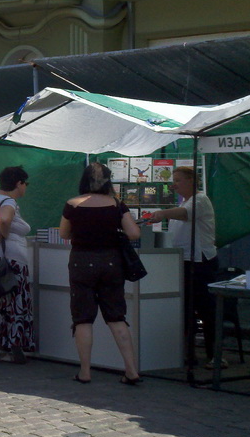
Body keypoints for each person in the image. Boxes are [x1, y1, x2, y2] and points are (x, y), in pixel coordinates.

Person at [59, 162, 142, 385]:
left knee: (83, 318)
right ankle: (131, 370)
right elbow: (134, 233)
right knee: (116, 316)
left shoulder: (72, 205)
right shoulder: (116, 204)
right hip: (111, 263)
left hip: (81, 263)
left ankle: (85, 372)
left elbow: (64, 234)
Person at [147, 165, 218, 367]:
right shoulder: (184, 202)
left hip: (201, 262)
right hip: (185, 261)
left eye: (178, 180)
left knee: (206, 309)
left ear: (190, 181)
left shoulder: (200, 200)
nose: (174, 184)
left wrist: (162, 213)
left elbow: (184, 214)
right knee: (186, 308)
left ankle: (215, 355)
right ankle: (187, 353)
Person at [0, 166, 34, 363]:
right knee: (13, 304)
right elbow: (4, 219)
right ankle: (11, 346)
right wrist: (2, 232)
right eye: (25, 184)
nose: (25, 188)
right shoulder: (9, 201)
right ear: (18, 183)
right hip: (11, 260)